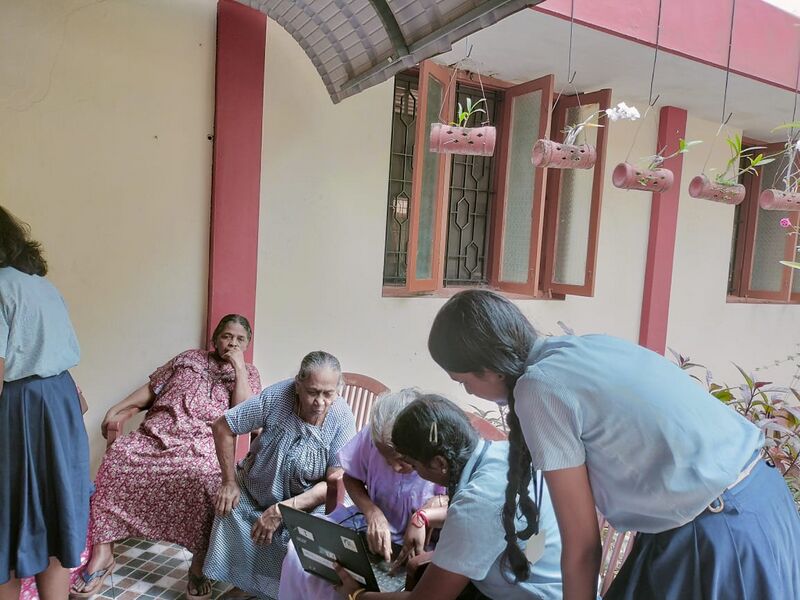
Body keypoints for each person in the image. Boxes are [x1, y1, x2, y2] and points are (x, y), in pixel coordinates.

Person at [426, 289, 800, 600]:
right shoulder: (583, 348)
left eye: (463, 381)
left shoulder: (538, 388)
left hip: (718, 533)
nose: (469, 391)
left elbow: (583, 545)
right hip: (761, 505)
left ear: (489, 369)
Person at [71, 314, 262, 599]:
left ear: (247, 344)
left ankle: (199, 565)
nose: (232, 342)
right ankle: (102, 554)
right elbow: (152, 389)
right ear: (215, 338)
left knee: (207, 480)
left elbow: (243, 414)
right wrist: (118, 407)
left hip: (203, 444)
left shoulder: (248, 372)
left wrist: (239, 369)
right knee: (116, 461)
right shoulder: (188, 358)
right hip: (156, 435)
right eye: (226, 336)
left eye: (239, 339)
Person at [335, 394, 563, 600]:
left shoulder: (477, 505)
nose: (404, 470)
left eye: (413, 465)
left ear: (439, 463)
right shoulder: (502, 453)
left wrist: (356, 595)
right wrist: (422, 517)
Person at [204, 351, 357, 600]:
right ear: (298, 385)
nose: (320, 402)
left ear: (337, 391)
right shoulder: (277, 397)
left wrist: (283, 509)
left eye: (328, 394)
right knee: (228, 507)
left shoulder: (341, 417)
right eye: (312, 392)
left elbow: (334, 483)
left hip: (311, 501)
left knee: (302, 543)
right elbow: (224, 426)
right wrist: (229, 481)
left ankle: (282, 592)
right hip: (259, 486)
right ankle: (247, 585)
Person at [279, 388, 448, 600]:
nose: (395, 468)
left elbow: (457, 508)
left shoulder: (438, 455)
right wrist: (372, 512)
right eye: (387, 460)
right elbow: (351, 476)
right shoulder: (375, 434)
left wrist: (424, 517)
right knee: (300, 550)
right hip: (367, 525)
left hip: (417, 545)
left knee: (350, 583)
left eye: (403, 460)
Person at [0, 206, 89, 600]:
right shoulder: (41, 285)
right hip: (60, 400)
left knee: (7, 518)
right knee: (55, 516)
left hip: (20, 408)